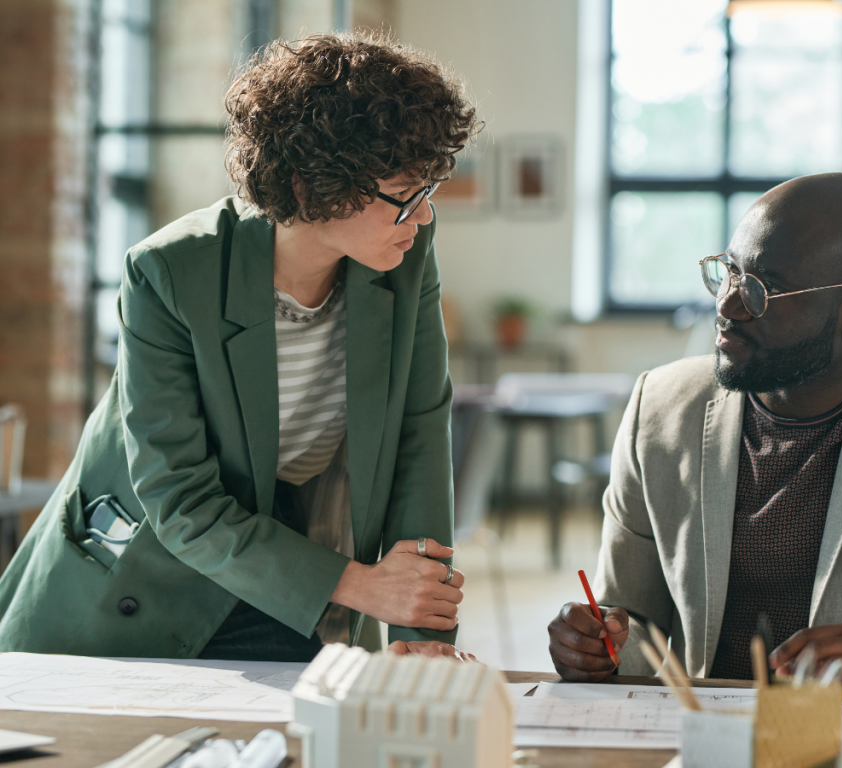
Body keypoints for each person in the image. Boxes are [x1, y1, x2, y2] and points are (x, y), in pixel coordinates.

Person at [0, 32, 483, 662]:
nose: (422, 217)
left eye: (429, 192)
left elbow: (419, 437)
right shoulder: (168, 274)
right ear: (310, 188)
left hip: (295, 564)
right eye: (405, 196)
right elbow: (180, 501)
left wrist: (422, 635)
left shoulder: (405, 250)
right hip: (149, 569)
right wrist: (365, 587)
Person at [548, 172, 842, 713]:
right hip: (706, 736)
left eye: (761, 290)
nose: (727, 307)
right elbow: (632, 622)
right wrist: (598, 644)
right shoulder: (658, 408)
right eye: (729, 273)